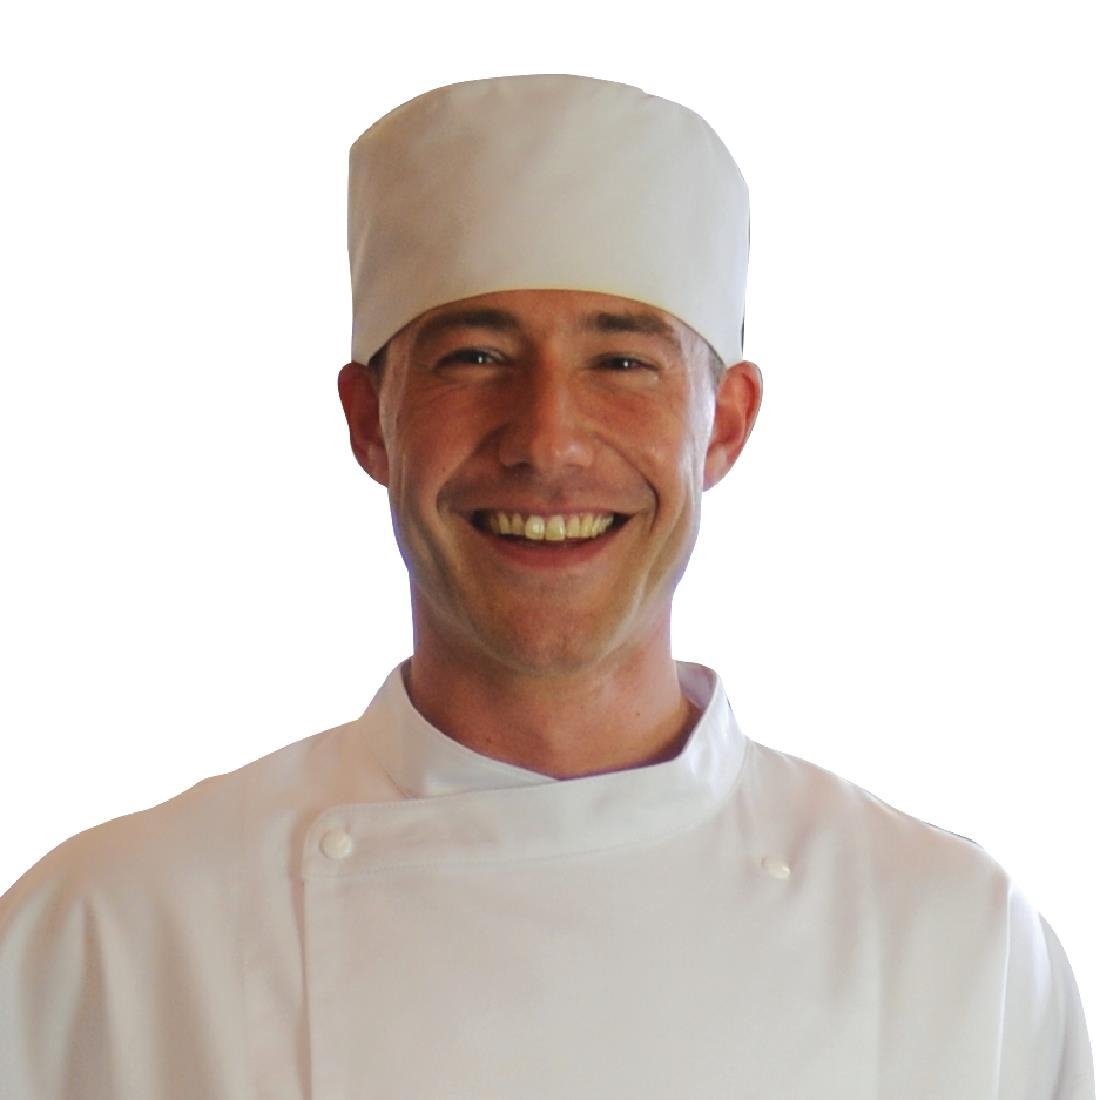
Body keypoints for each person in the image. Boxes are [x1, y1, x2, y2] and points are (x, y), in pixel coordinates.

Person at [0, 73, 1093, 1099]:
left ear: (723, 425)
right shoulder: (105, 942)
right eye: (474, 357)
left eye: (621, 363)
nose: (547, 439)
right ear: (368, 420)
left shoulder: (956, 949)